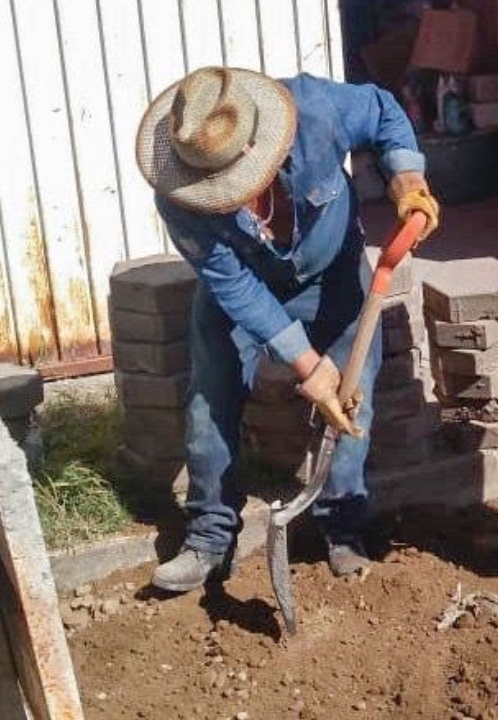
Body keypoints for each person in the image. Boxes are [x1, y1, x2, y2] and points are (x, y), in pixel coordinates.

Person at [134, 67, 439, 590]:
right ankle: (209, 537)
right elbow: (234, 288)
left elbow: (385, 109)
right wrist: (306, 364)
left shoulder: (315, 110)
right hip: (243, 291)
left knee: (350, 397)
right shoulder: (178, 195)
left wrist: (407, 179)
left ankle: (343, 528)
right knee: (209, 398)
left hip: (334, 279)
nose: (230, 200)